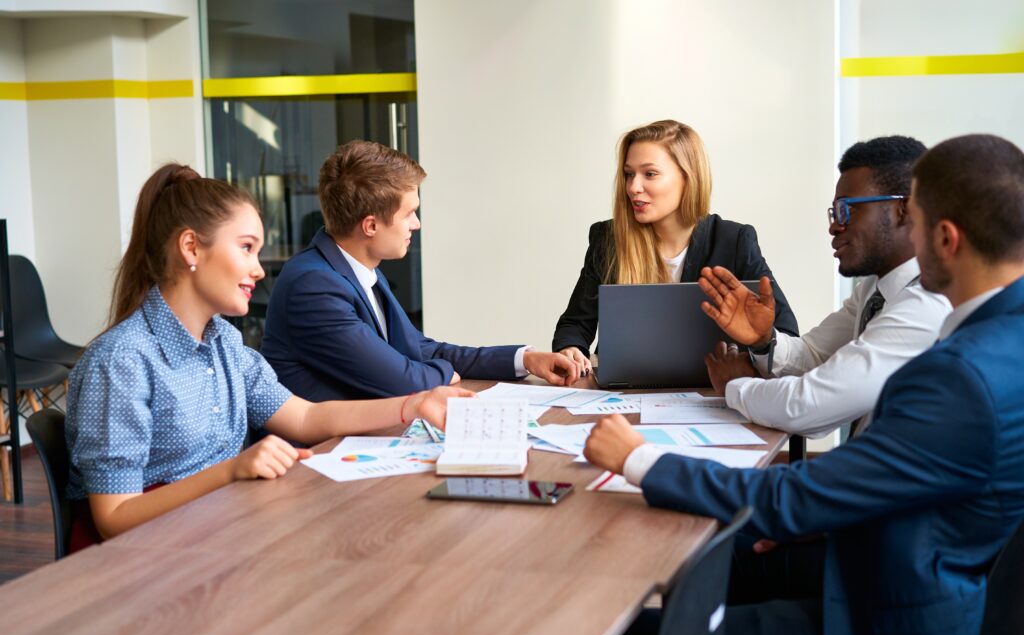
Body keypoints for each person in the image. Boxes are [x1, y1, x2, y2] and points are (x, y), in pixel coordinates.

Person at [584, 134, 1024, 635]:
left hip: (882, 630)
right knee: (703, 564)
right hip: (894, 561)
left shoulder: (959, 373)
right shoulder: (1001, 338)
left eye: (917, 221)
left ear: (944, 237)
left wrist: (637, 458)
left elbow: (798, 489)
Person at [65, 163, 470, 552]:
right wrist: (232, 470)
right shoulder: (121, 361)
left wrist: (413, 405)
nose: (259, 270)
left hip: (216, 532)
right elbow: (114, 517)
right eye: (246, 248)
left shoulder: (225, 342)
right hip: (140, 560)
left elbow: (306, 417)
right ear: (191, 247)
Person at [261, 140, 580, 402]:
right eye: (409, 213)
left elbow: (420, 350)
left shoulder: (360, 270)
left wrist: (524, 359)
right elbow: (401, 381)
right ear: (371, 226)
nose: (417, 224)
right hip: (318, 454)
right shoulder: (314, 285)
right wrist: (444, 372)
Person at [698, 136, 950, 437]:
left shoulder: (927, 304)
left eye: (846, 209)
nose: (834, 226)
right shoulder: (874, 290)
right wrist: (765, 340)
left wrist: (735, 386)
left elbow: (807, 407)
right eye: (834, 212)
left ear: (904, 210)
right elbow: (815, 357)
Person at [551, 120, 798, 373]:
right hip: (626, 387)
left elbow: (787, 335)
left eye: (650, 174)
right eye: (629, 174)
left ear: (688, 177)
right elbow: (575, 324)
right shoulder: (609, 239)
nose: (633, 187)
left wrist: (755, 348)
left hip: (713, 389)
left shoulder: (734, 241)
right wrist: (571, 348)